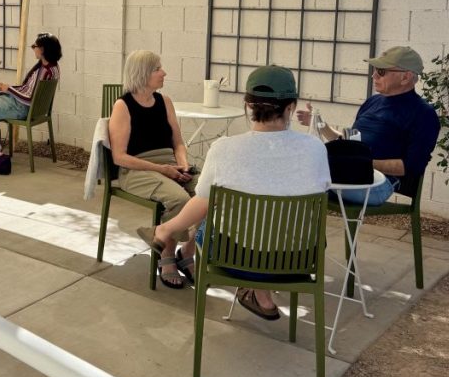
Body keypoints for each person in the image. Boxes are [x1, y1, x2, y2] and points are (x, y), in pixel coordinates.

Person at [138, 65, 330, 320]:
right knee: (267, 218)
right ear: (291, 106)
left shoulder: (225, 149)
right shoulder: (315, 149)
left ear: (247, 105)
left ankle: (167, 234)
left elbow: (203, 201)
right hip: (298, 260)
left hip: (236, 259)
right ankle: (258, 293)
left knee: (211, 208)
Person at [296, 46, 439, 206]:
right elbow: (351, 145)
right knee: (297, 172)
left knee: (306, 180)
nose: (374, 75)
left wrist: (360, 163)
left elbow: (412, 167)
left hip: (378, 184)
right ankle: (301, 230)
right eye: (375, 70)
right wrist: (319, 124)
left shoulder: (423, 113)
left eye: (381, 71)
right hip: (349, 174)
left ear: (405, 77)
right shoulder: (373, 102)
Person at [108, 50, 196, 289]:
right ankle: (166, 258)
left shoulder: (165, 101)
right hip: (137, 169)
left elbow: (178, 142)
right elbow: (120, 157)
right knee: (179, 198)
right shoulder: (123, 106)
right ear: (143, 73)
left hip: (170, 164)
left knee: (211, 191)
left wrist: (183, 163)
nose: (164, 72)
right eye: (158, 68)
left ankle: (185, 250)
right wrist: (162, 169)